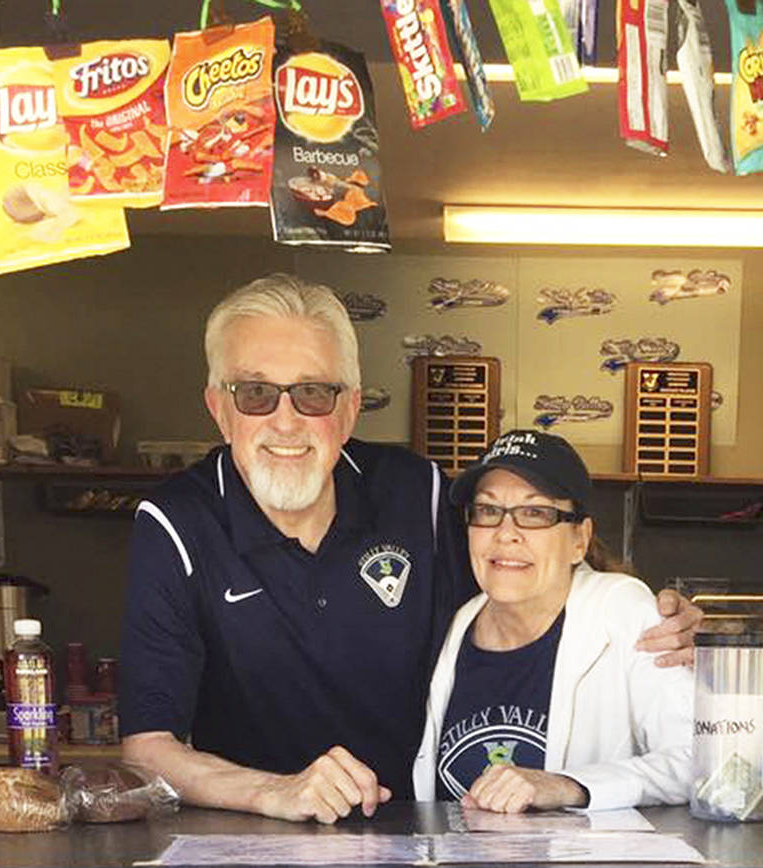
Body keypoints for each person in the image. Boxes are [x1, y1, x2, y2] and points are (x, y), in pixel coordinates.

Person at [120, 274, 703, 824]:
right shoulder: (176, 522)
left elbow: (516, 567)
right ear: (218, 408)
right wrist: (276, 790)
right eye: (255, 394)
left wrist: (649, 618)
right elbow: (147, 748)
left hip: (419, 835)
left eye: (314, 394)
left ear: (349, 409)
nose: (286, 420)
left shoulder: (414, 491)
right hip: (252, 838)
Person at [412, 430, 693, 812]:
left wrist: (568, 786)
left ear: (579, 539)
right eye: (488, 510)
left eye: (535, 513)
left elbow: (697, 759)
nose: (505, 533)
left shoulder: (622, 609)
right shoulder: (460, 622)